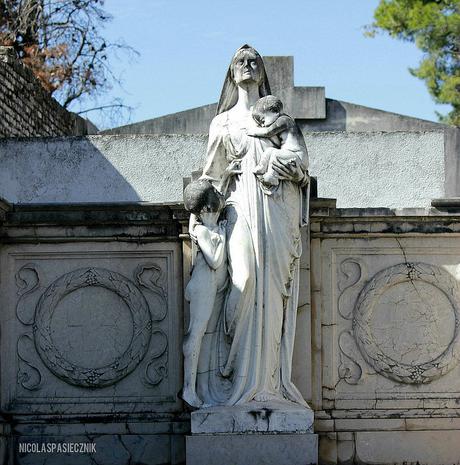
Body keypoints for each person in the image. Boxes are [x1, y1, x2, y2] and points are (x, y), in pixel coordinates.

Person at [193, 45, 310, 407]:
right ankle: (233, 379)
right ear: (231, 74)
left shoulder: (279, 118)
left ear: (261, 71)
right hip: (240, 206)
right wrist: (202, 216)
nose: (247, 64)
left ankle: (270, 386)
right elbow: (211, 178)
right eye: (239, 61)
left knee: (273, 293)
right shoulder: (223, 122)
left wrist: (285, 164)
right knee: (242, 282)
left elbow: (301, 166)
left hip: (277, 209)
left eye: (253, 60)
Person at [182, 179, 227, 408]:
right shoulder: (204, 230)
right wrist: (221, 236)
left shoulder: (200, 228)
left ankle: (193, 388)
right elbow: (215, 260)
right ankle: (189, 390)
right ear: (208, 209)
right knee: (195, 334)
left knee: (198, 334)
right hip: (203, 283)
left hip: (207, 283)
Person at [248, 95, 308, 192]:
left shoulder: (284, 120)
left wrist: (253, 132)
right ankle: (261, 168)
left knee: (275, 154)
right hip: (290, 154)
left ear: (275, 111)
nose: (262, 124)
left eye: (263, 120)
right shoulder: (283, 120)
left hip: (297, 156)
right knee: (270, 151)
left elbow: (268, 132)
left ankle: (272, 177)